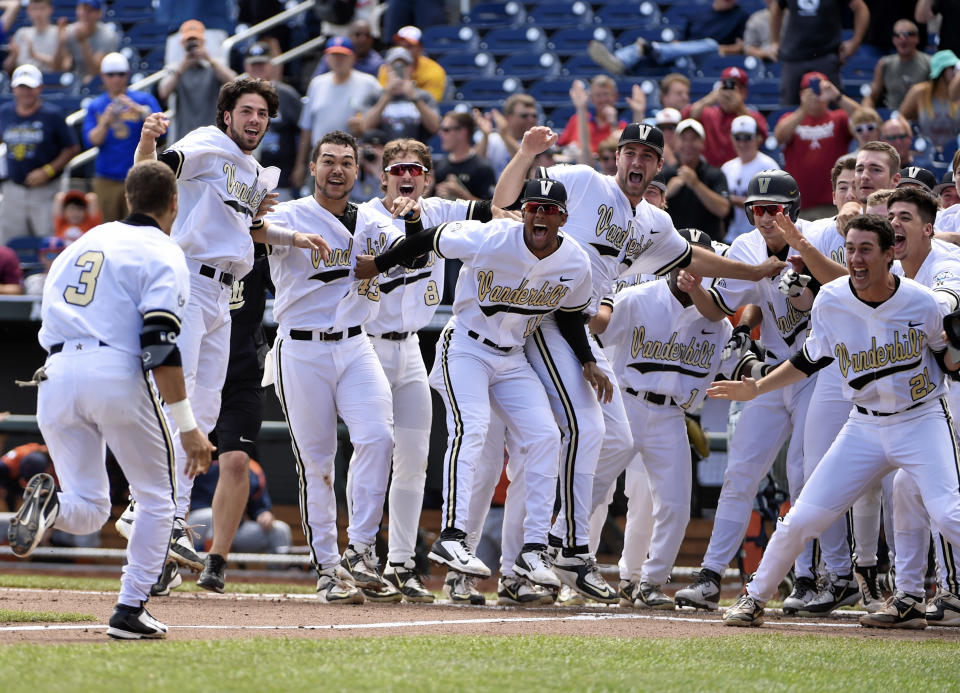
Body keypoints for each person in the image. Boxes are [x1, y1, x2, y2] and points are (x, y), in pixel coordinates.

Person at [493, 124, 788, 603]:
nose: (637, 161)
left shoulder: (652, 222)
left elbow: (694, 258)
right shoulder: (586, 182)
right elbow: (507, 201)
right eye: (629, 151)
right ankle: (545, 552)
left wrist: (752, 271)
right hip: (546, 315)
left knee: (607, 440)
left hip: (578, 329)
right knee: (558, 443)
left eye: (647, 155)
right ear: (617, 157)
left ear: (658, 166)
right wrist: (526, 152)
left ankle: (558, 550)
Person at [119, 77, 331, 578]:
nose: (255, 120)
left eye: (263, 113)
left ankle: (170, 516)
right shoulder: (207, 144)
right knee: (180, 397)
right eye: (247, 111)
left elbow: (248, 229)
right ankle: (142, 505)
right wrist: (148, 140)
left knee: (205, 412)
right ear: (227, 115)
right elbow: (147, 178)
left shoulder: (256, 173)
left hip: (222, 293)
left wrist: (292, 234)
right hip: (190, 278)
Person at [356, 177, 606, 596]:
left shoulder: (575, 262)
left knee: (545, 436)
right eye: (533, 207)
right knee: (471, 428)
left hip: (511, 357)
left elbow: (568, 314)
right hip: (467, 345)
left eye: (549, 209)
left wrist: (587, 361)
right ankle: (451, 537)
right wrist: (379, 265)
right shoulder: (492, 236)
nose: (539, 214)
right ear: (523, 210)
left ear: (563, 218)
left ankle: (534, 548)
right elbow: (433, 238)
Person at [716, 213, 960, 629]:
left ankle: (908, 598)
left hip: (921, 419)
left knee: (949, 514)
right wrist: (758, 388)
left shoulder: (921, 300)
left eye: (866, 249)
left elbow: (946, 352)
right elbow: (810, 359)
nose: (856, 259)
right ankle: (754, 599)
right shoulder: (831, 299)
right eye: (850, 249)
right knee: (804, 516)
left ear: (889, 255)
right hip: (864, 425)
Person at [6, 160, 214, 640]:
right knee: (159, 500)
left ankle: (51, 507)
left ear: (126, 196)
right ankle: (129, 608)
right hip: (114, 371)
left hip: (54, 374)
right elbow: (160, 339)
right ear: (174, 203)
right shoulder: (163, 251)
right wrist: (189, 425)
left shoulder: (80, 244)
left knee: (91, 506)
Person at [265, 130, 410, 604]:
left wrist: (402, 229)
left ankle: (361, 549)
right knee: (318, 462)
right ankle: (328, 567)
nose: (337, 169)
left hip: (354, 344)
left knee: (379, 436)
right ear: (312, 168)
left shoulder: (370, 218)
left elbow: (408, 251)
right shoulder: (288, 213)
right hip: (301, 349)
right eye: (328, 161)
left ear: (357, 169)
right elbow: (249, 228)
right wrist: (291, 237)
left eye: (346, 162)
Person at [598, 228, 776, 608]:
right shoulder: (635, 298)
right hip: (625, 404)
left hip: (670, 415)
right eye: (683, 257)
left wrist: (764, 375)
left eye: (698, 259)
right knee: (594, 487)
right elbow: (595, 336)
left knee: (675, 505)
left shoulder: (718, 322)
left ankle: (649, 582)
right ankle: (568, 560)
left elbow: (738, 361)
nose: (689, 267)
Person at [880, 187, 960, 628]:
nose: (895, 223)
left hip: (954, 392)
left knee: (939, 496)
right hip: (937, 394)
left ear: (929, 228)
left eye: (905, 217)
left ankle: (952, 591)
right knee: (905, 488)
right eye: (890, 215)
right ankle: (909, 592)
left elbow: (946, 304)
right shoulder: (892, 272)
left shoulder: (946, 264)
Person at [183, 247, 272, 594]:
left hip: (243, 377)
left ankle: (217, 558)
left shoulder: (258, 254)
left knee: (235, 462)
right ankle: (164, 550)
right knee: (181, 458)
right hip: (198, 372)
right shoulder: (194, 251)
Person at [0, 64, 80, 243]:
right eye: (21, 87)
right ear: (14, 89)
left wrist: (48, 171)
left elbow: (72, 147)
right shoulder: (5, 113)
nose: (25, 92)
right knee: (9, 245)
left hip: (45, 191)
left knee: (48, 243)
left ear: (39, 88)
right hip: (13, 189)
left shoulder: (52, 114)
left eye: (30, 87)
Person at [292, 36, 381, 192]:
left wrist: (364, 125)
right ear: (326, 58)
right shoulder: (317, 83)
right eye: (334, 55)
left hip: (353, 159)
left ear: (353, 57)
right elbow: (307, 127)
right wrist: (299, 164)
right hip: (320, 157)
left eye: (343, 55)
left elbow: (383, 121)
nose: (338, 60)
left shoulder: (369, 83)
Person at [83, 52, 162, 223]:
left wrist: (140, 111)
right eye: (111, 75)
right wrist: (105, 122)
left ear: (127, 75)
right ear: (103, 77)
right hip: (107, 177)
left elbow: (162, 130)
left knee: (139, 226)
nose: (116, 79)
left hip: (139, 175)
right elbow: (92, 141)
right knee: (107, 228)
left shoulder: (143, 99)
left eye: (120, 74)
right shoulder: (96, 105)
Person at [587, 0, 750, 75]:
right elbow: (680, 43)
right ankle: (621, 61)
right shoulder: (697, 14)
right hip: (684, 57)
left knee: (711, 43)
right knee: (664, 55)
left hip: (710, 59)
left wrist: (722, 48)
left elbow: (742, 47)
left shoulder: (740, 15)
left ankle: (648, 50)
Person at [775, 72, 858, 218]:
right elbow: (780, 137)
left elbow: (866, 120)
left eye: (819, 90)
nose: (816, 95)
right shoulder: (790, 118)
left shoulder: (839, 117)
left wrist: (837, 96)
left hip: (831, 204)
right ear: (802, 94)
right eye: (811, 90)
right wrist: (803, 109)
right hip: (799, 204)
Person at [771, 0, 870, 106]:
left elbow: (861, 8)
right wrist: (774, 41)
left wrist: (856, 41)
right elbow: (776, 7)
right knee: (789, 107)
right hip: (793, 56)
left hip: (826, 54)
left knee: (833, 104)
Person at [189, 459, 291, 556]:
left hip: (235, 528)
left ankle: (284, 573)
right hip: (196, 525)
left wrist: (263, 514)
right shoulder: (201, 459)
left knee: (280, 530)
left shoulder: (251, 468)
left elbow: (259, 506)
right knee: (219, 515)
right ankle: (212, 568)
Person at [158, 20, 238, 142]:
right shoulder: (176, 69)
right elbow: (163, 93)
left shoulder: (215, 66)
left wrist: (209, 59)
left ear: (203, 42)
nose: (192, 46)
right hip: (184, 137)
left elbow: (234, 84)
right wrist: (182, 67)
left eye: (196, 41)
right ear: (182, 44)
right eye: (188, 42)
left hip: (213, 135)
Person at [241, 42, 302, 202]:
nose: (258, 69)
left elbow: (304, 132)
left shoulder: (287, 95)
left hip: (281, 178)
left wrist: (300, 165)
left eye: (262, 64)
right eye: (254, 65)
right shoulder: (237, 97)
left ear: (270, 65)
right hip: (246, 179)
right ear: (246, 66)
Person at [683, 66, 768, 168]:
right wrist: (710, 98)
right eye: (727, 87)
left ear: (744, 93)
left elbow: (761, 136)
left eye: (737, 88)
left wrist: (740, 106)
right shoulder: (708, 113)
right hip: (710, 173)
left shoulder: (752, 116)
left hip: (741, 170)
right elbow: (685, 117)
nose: (730, 93)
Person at [662, 119, 732, 241]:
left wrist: (695, 184)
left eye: (693, 139)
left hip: (708, 246)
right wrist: (667, 193)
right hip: (673, 245)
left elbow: (723, 210)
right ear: (677, 143)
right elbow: (649, 210)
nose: (688, 144)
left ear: (702, 143)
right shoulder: (665, 174)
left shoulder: (715, 174)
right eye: (683, 139)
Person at [360, 46, 440, 142]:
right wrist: (387, 96)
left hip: (416, 153)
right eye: (394, 65)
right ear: (386, 68)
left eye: (404, 65)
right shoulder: (375, 96)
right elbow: (365, 128)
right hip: (383, 153)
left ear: (412, 68)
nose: (399, 69)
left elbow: (435, 128)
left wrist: (414, 98)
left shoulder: (424, 96)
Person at [721, 115, 781, 242]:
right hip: (731, 236)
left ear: (758, 139)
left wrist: (734, 200)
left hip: (761, 237)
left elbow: (774, 204)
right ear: (732, 138)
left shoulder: (768, 166)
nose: (742, 143)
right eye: (738, 138)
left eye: (747, 138)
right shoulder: (727, 167)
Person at [863, 19, 930, 110]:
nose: (902, 38)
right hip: (891, 117)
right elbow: (872, 96)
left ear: (917, 38)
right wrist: (866, 111)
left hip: (920, 116)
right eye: (897, 35)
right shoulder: (884, 64)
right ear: (893, 40)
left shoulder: (929, 63)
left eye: (907, 34)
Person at [901, 50, 960, 153]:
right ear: (941, 70)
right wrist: (910, 136)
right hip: (924, 151)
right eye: (952, 67)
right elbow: (900, 117)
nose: (956, 72)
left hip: (954, 153)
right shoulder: (919, 92)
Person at [433, 112, 497, 201]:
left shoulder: (482, 168)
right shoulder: (439, 166)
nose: (440, 134)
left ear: (462, 132)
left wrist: (462, 195)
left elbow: (492, 209)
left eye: (446, 129)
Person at [556, 75, 626, 156]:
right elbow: (560, 148)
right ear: (592, 98)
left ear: (615, 96)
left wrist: (613, 123)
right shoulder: (577, 119)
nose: (603, 99)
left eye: (606, 94)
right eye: (598, 95)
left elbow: (618, 156)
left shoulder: (623, 126)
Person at [53, 0, 118, 85]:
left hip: (99, 83)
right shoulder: (68, 32)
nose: (85, 14)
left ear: (99, 14)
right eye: (82, 9)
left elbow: (95, 71)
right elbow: (58, 69)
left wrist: (83, 42)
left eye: (90, 10)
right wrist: (60, 43)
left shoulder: (108, 35)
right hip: (74, 79)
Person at [474, 93, 539, 177]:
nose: (531, 119)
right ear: (508, 118)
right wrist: (485, 136)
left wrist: (504, 135)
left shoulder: (539, 142)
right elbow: (474, 164)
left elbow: (527, 165)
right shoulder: (493, 139)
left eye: (534, 116)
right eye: (524, 116)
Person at [376, 26, 446, 103]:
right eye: (400, 46)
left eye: (409, 47)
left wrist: (412, 94)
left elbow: (432, 104)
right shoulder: (386, 69)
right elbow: (377, 100)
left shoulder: (434, 71)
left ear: (420, 48)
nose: (403, 51)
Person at [314, 19, 383, 78]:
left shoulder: (377, 64)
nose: (363, 39)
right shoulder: (334, 54)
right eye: (357, 34)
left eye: (367, 35)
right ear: (349, 36)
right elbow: (317, 82)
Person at [5, 0, 58, 72]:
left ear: (51, 9)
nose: (38, 13)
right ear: (28, 11)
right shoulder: (21, 33)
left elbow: (64, 65)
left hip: (50, 80)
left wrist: (36, 55)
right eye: (34, 9)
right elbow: (7, 68)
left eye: (42, 8)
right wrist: (14, 56)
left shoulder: (58, 33)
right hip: (23, 79)